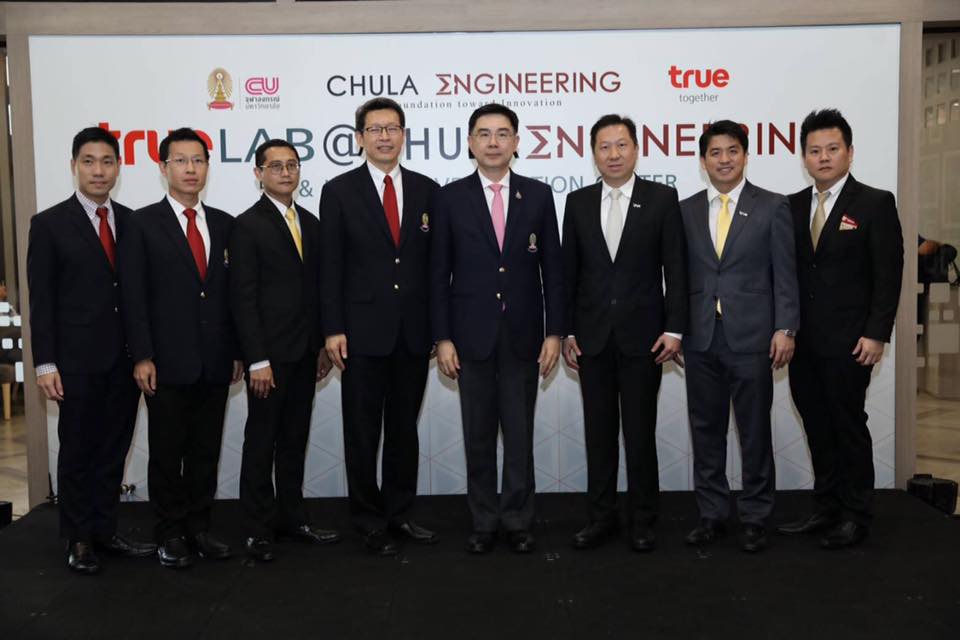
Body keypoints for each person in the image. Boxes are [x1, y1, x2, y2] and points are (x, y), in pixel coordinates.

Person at [430, 104, 565, 554]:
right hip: (470, 337)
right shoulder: (450, 198)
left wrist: (554, 332)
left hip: (524, 336)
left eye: (502, 134)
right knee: (479, 434)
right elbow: (438, 274)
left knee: (520, 434)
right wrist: (443, 337)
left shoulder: (538, 195)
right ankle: (484, 520)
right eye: (484, 134)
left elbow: (553, 270)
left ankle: (519, 519)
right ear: (470, 142)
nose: (493, 142)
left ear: (516, 142)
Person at [27, 127, 154, 574]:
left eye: (107, 161)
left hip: (125, 361)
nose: (98, 170)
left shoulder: (133, 222)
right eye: (89, 161)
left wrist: (144, 354)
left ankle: (105, 529)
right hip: (75, 362)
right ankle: (78, 538)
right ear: (74, 166)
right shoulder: (49, 224)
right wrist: (45, 363)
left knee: (114, 450)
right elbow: (41, 301)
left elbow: (138, 296)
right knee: (78, 451)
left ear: (119, 167)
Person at [777, 109, 903, 549]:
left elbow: (888, 274)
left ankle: (856, 513)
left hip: (852, 342)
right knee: (816, 425)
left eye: (832, 149)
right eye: (815, 151)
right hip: (802, 343)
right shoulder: (792, 206)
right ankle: (826, 507)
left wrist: (877, 333)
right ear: (804, 158)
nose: (824, 157)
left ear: (850, 152)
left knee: (847, 425)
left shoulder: (875, 203)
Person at [119, 127, 243, 569]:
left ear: (208, 167)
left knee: (206, 450)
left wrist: (237, 352)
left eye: (198, 160)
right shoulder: (141, 224)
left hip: (215, 360)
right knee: (168, 453)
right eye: (181, 161)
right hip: (165, 362)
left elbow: (232, 297)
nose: (191, 169)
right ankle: (169, 532)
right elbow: (133, 296)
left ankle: (199, 527)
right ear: (163, 167)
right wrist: (142, 355)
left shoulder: (226, 224)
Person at [320, 99, 439, 555]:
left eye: (392, 128)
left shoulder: (428, 190)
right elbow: (330, 266)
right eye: (375, 129)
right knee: (363, 431)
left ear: (404, 135)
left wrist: (437, 328)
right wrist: (333, 328)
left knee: (404, 430)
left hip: (413, 333)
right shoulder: (339, 191)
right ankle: (368, 520)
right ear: (359, 138)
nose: (384, 137)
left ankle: (400, 514)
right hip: (359, 334)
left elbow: (435, 269)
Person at [562, 114, 687, 551]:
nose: (613, 154)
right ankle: (601, 518)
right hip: (591, 339)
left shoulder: (662, 199)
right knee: (598, 435)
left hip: (645, 338)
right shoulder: (577, 202)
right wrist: (566, 331)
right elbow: (568, 274)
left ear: (636, 149)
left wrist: (674, 329)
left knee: (639, 433)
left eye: (621, 145)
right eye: (604, 146)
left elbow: (676, 270)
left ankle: (643, 520)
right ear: (593, 153)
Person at [679, 120, 799, 553]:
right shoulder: (685, 210)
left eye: (732, 151)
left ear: (746, 156)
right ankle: (711, 513)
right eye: (715, 152)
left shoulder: (772, 206)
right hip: (700, 337)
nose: (724, 159)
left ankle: (755, 516)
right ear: (703, 161)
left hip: (753, 337)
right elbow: (676, 278)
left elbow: (785, 273)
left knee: (753, 431)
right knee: (705, 430)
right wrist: (675, 330)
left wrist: (786, 328)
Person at [231, 139, 340, 562]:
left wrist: (322, 345)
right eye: (275, 166)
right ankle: (257, 528)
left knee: (295, 439)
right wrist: (257, 359)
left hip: (305, 353)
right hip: (268, 359)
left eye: (292, 165)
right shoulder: (246, 225)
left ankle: (292, 519)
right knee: (262, 442)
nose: (285, 172)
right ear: (258, 174)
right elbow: (243, 298)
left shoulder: (310, 223)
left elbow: (319, 291)